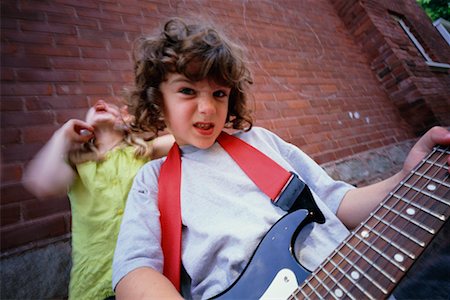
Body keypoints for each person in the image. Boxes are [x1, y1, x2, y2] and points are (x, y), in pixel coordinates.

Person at [111, 18, 450, 299]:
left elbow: (338, 202)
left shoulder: (260, 141)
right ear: (157, 101)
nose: (208, 108)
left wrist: (407, 175)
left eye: (219, 93)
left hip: (356, 278)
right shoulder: (153, 179)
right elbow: (135, 270)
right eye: (187, 90)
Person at [22, 99, 174, 300]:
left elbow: (184, 137)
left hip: (142, 277)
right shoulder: (78, 161)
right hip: (93, 279)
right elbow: (43, 184)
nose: (101, 102)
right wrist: (63, 136)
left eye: (111, 107)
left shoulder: (143, 151)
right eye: (94, 107)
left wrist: (139, 121)